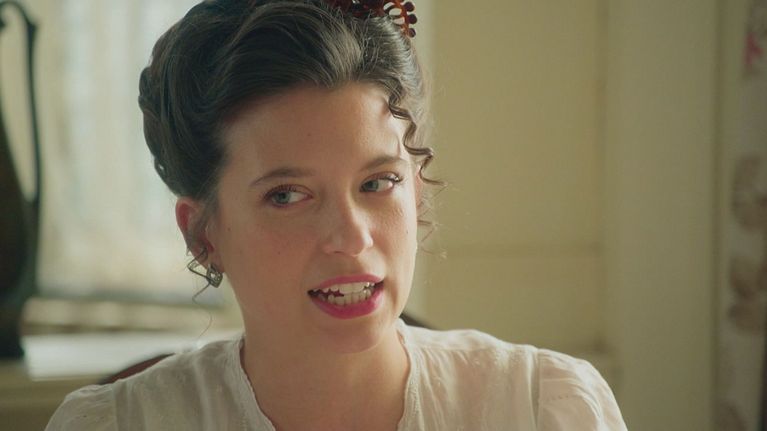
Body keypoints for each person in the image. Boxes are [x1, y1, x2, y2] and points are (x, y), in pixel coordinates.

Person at [46, 1, 628, 429]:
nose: (351, 237)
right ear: (203, 235)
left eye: (378, 183)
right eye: (287, 196)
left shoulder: (541, 407)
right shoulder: (120, 424)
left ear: (415, 190)